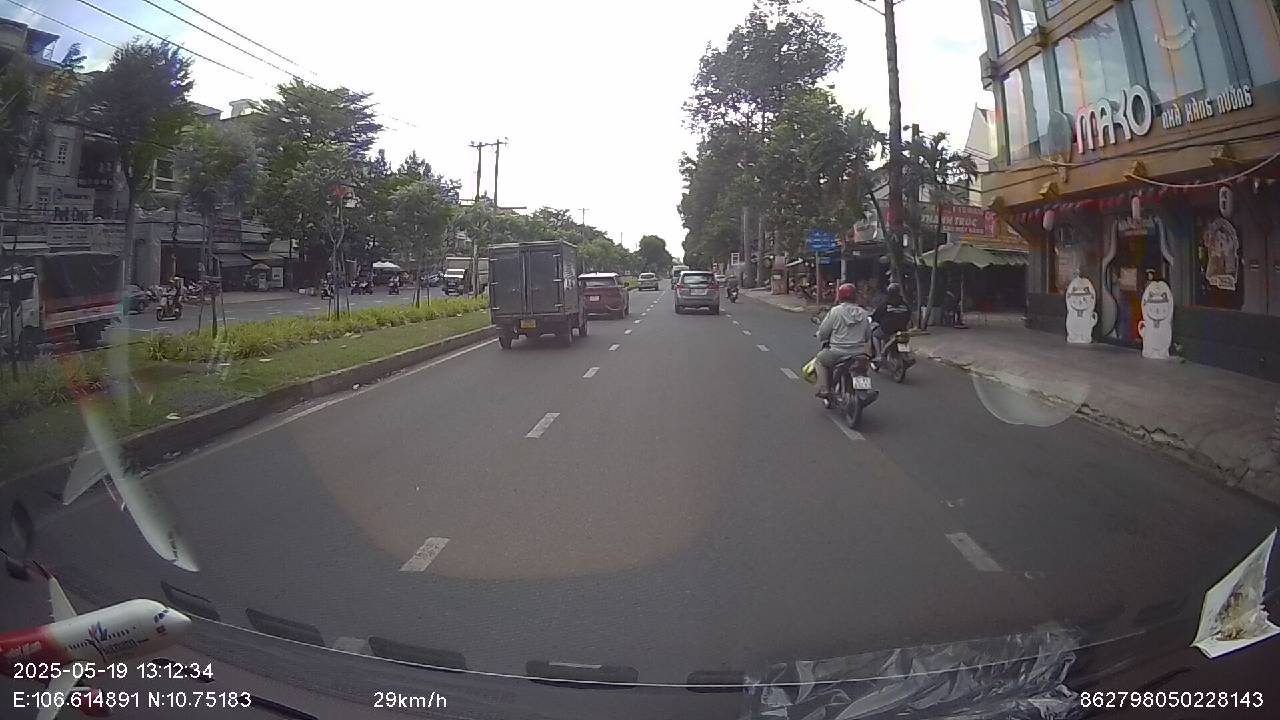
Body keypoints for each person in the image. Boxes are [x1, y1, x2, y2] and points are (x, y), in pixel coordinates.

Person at [814, 283, 873, 399]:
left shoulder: (835, 311)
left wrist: (820, 336)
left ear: (839, 296)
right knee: (862, 368)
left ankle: (825, 388)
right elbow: (867, 336)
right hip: (859, 353)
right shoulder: (863, 313)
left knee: (819, 360)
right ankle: (864, 390)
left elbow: (824, 332)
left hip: (837, 353)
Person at [871, 282, 911, 365]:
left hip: (887, 330)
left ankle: (879, 355)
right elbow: (908, 316)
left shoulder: (885, 304)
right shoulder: (904, 304)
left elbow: (877, 315)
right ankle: (905, 356)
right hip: (902, 329)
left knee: (875, 335)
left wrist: (875, 320)